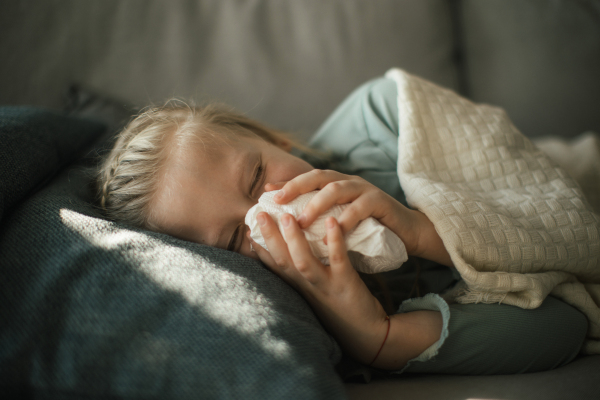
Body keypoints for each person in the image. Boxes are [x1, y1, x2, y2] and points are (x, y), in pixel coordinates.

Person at [98, 76, 587, 374]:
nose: (270, 210)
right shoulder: (314, 309)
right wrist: (378, 338)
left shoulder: (384, 118)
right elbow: (565, 326)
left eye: (257, 176)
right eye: (235, 236)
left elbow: (561, 228)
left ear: (272, 140)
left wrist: (420, 230)